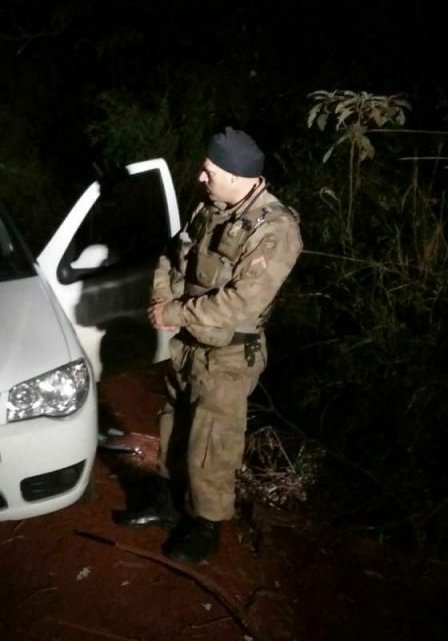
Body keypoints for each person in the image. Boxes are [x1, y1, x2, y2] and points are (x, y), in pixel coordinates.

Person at [113, 126, 303, 565]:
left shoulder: (275, 230)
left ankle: (207, 525)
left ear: (237, 175)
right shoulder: (211, 208)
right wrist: (162, 298)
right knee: (173, 425)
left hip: (229, 354)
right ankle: (165, 500)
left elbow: (240, 302)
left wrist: (174, 313)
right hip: (189, 344)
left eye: (209, 170)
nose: (201, 177)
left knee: (212, 441)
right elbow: (170, 254)